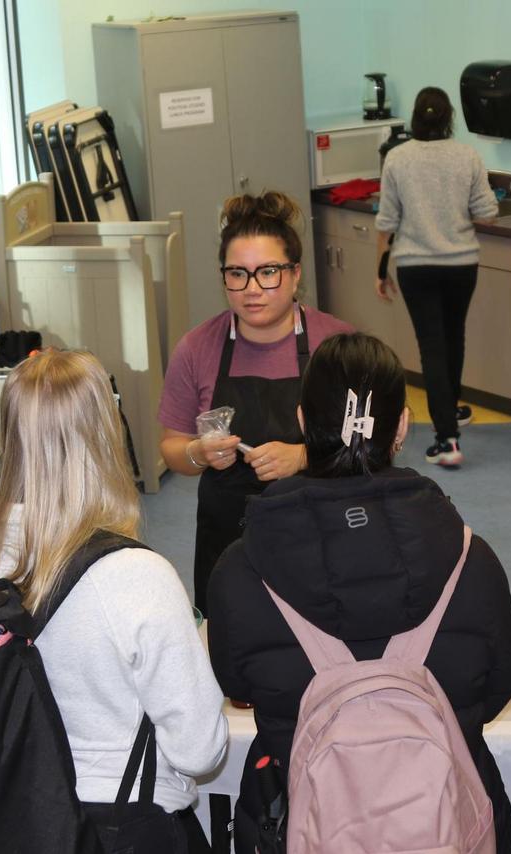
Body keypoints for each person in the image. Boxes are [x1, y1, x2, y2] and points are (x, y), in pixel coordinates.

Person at [207, 332, 511, 852]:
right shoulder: (472, 560)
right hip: (444, 821)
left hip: (299, 817)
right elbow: (496, 687)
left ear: (303, 422)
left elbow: (237, 681)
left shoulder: (240, 570)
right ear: (401, 426)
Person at [0, 350, 227, 851]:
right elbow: (200, 751)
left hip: (2, 815)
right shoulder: (137, 575)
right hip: (120, 821)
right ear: (105, 433)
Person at [158, 191, 352, 612]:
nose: (252, 289)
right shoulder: (197, 348)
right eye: (237, 274)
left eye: (268, 272)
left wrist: (303, 457)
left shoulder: (337, 345)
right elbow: (172, 448)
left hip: (321, 540)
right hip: (228, 546)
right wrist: (198, 452)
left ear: (295, 274)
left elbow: (376, 442)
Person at [374, 87, 498, 468]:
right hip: (461, 264)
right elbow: (487, 211)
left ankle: (446, 438)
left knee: (431, 346)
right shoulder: (467, 156)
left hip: (416, 266)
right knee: (453, 337)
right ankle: (449, 412)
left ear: (415, 118)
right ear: (449, 119)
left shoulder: (397, 158)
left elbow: (387, 222)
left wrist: (381, 270)